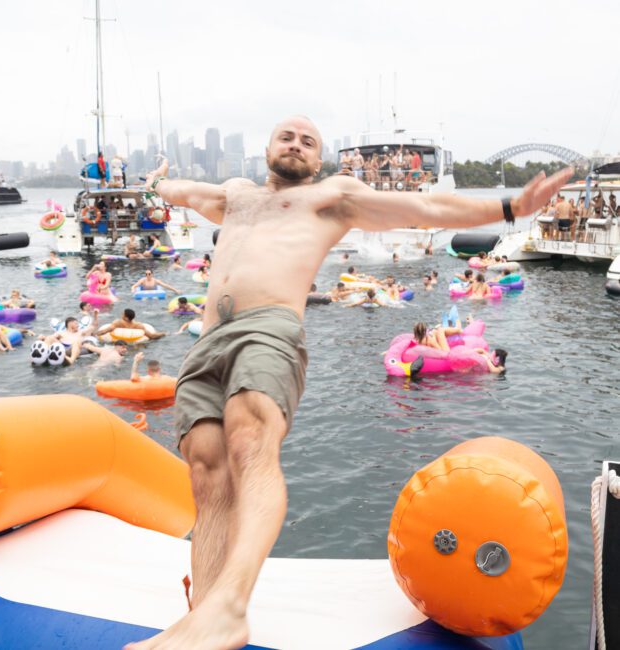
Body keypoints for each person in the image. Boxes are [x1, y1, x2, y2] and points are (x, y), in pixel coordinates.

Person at [127, 115, 571, 650]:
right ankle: (202, 615)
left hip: (267, 328)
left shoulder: (330, 197)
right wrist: (156, 182)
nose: (295, 145)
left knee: (250, 434)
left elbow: (426, 207)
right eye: (286, 137)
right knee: (205, 468)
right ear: (267, 148)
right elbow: (179, 191)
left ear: (319, 160)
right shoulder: (236, 195)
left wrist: (507, 208)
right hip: (206, 341)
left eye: (307, 142)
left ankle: (230, 607)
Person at [97, 308, 165, 340]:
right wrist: (163, 333)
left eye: (123, 314)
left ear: (126, 318)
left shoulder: (118, 323)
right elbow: (152, 336)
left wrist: (94, 334)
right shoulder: (138, 325)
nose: (121, 315)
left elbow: (105, 331)